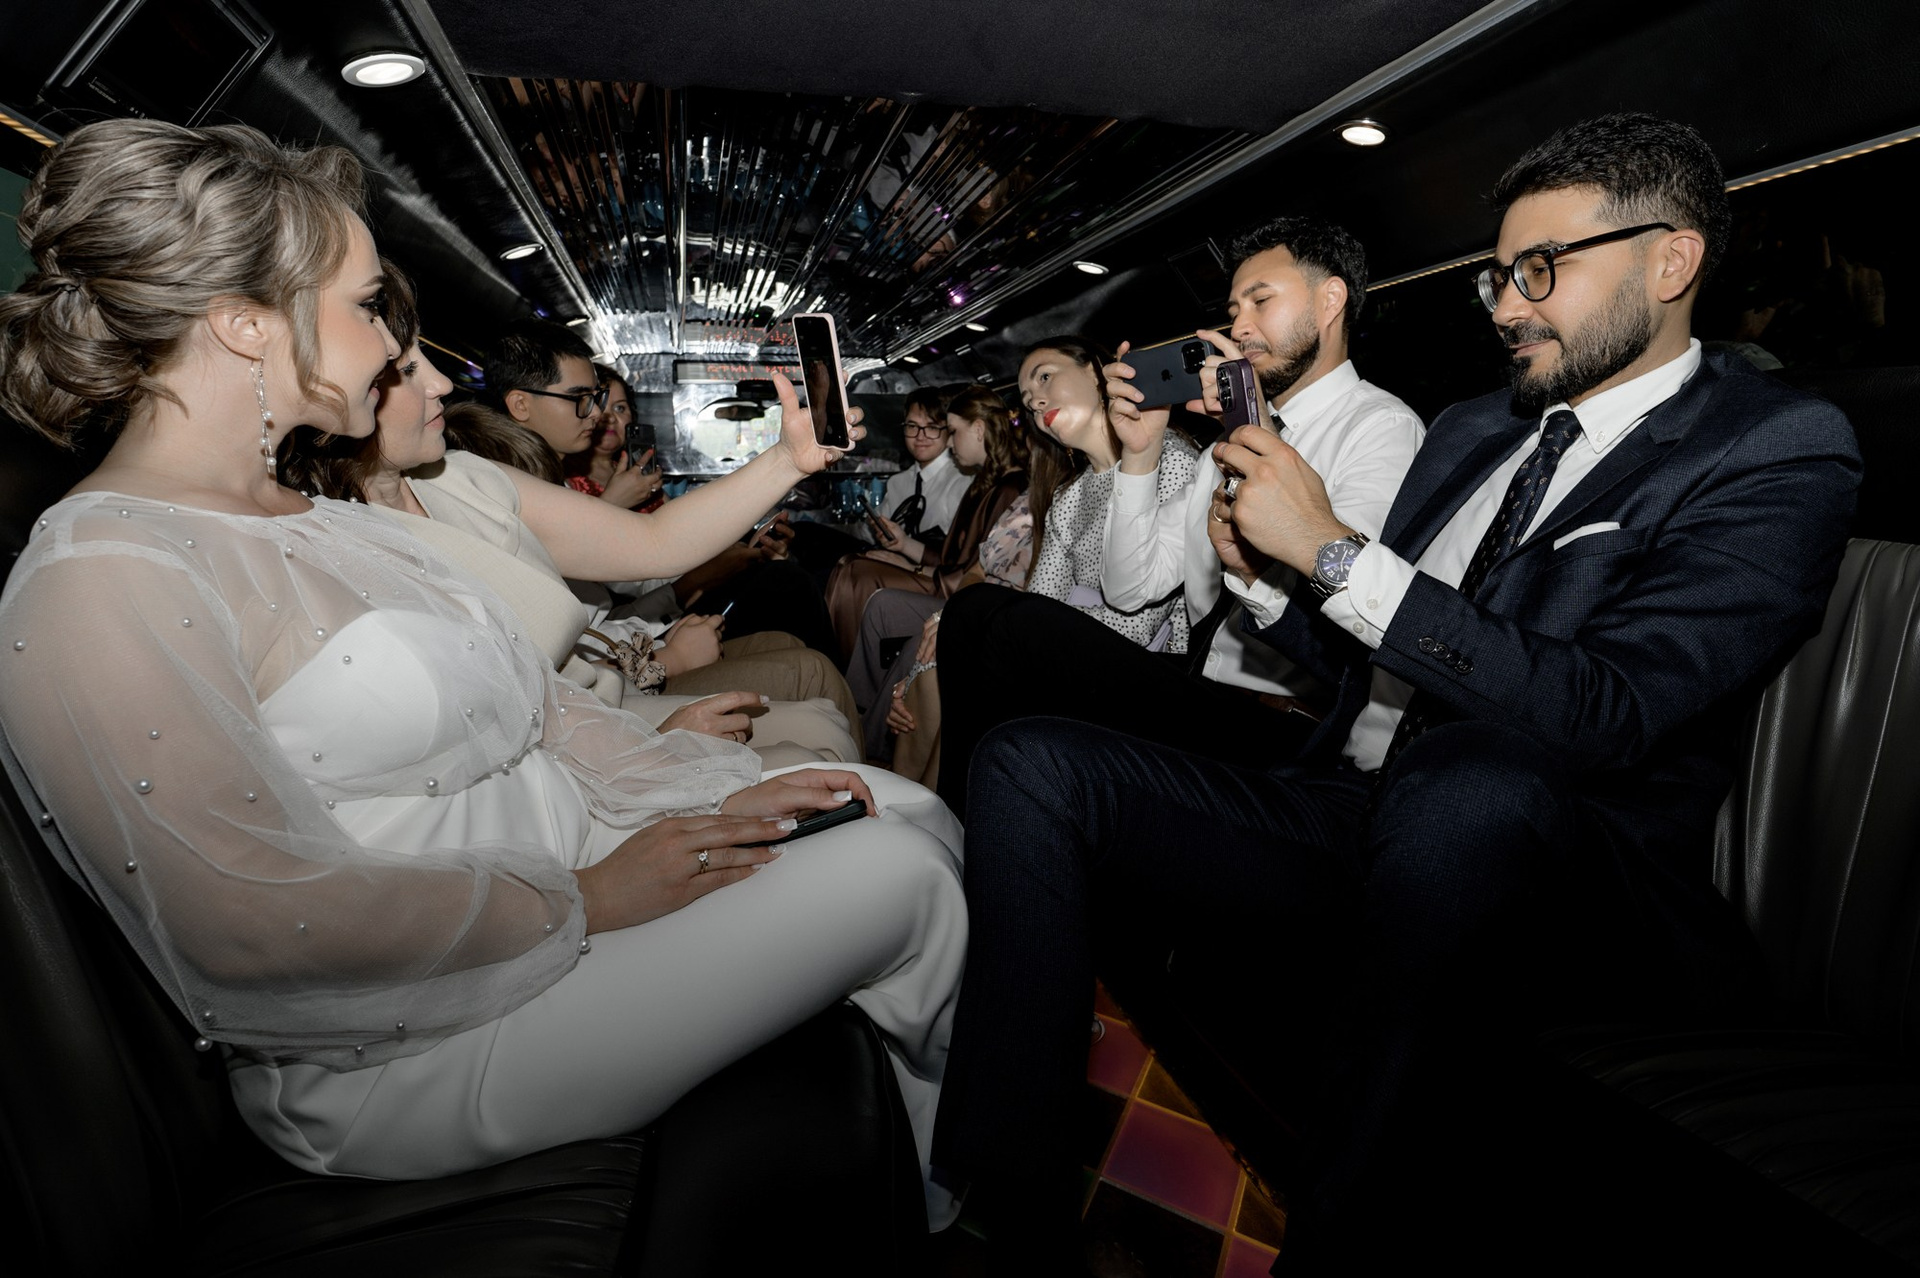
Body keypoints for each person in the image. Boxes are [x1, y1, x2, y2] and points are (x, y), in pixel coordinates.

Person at [930, 114, 1861, 1267]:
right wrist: (1264, 581)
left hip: (1563, 863)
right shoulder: (1474, 430)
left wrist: (1329, 553)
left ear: (1671, 261)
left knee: (1466, 785)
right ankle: (1004, 1205)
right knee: (1030, 762)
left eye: (1540, 270)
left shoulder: (1772, 443)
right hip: (1359, 802)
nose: (1507, 307)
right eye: (1497, 278)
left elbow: (1611, 709)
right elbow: (1370, 664)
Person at [0, 119, 965, 1226]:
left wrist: (704, 796)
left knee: (902, 808)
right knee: (906, 875)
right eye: (367, 307)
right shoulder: (102, 574)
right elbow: (244, 922)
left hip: (572, 869)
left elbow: (540, 715)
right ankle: (942, 1208)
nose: (390, 348)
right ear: (244, 324)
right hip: (405, 1038)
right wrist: (590, 899)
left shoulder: (327, 522)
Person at [933, 216, 1423, 813]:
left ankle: (954, 825)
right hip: (1196, 685)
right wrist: (1139, 455)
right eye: (1234, 309)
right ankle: (960, 820)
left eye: (1261, 301)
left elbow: (1348, 617)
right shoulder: (1225, 444)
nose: (1240, 327)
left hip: (1283, 725)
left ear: (1330, 300)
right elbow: (1130, 588)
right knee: (977, 619)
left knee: (994, 622)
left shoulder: (1379, 426)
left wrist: (1253, 433)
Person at [278, 269, 860, 768]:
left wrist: (787, 460)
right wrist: (651, 743)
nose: (442, 383)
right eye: (405, 371)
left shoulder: (465, 477)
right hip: (554, 753)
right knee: (820, 744)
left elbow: (654, 542)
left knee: (824, 728)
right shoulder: (332, 542)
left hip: (598, 708)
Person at [859, 337, 1199, 776]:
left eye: (1045, 378)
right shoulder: (1068, 496)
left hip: (1140, 664)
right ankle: (910, 808)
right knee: (934, 662)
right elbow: (1040, 601)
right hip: (1068, 644)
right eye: (1027, 398)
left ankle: (939, 807)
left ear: (1095, 373)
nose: (1036, 401)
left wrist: (986, 633)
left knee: (969, 642)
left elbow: (1138, 624)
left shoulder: (1168, 458)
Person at [824, 385, 1028, 658]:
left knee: (857, 574)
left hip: (955, 588)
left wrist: (915, 567)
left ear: (979, 430)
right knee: (847, 563)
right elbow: (957, 559)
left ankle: (840, 662)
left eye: (949, 431)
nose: (949, 443)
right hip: (946, 577)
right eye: (912, 426)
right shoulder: (983, 485)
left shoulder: (1001, 488)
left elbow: (971, 572)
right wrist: (903, 548)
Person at [564, 363, 665, 510]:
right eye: (598, 405)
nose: (610, 418)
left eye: (619, 408)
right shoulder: (556, 475)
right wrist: (613, 501)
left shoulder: (637, 474)